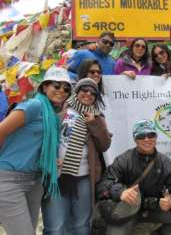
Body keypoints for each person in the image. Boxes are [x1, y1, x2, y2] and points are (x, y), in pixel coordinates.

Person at [0, 66, 72, 235]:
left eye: (66, 88)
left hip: (35, 181)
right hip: (9, 180)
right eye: (56, 85)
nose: (62, 91)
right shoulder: (34, 106)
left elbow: (40, 145)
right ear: (45, 86)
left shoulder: (54, 116)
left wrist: (50, 160)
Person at [97, 119, 171, 235]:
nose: (147, 139)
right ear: (135, 139)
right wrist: (120, 192)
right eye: (141, 136)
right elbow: (103, 184)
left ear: (156, 137)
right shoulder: (123, 160)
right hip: (128, 211)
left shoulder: (167, 163)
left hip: (153, 209)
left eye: (151, 135)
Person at [42, 78, 112, 235]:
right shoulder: (61, 110)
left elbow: (104, 145)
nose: (88, 94)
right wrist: (49, 159)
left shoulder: (97, 117)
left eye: (93, 92)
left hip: (84, 178)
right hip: (57, 177)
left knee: (81, 225)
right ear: (77, 91)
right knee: (56, 226)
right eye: (84, 90)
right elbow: (44, 140)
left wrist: (94, 124)